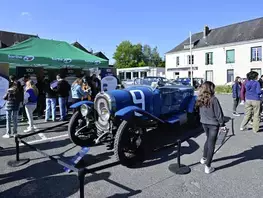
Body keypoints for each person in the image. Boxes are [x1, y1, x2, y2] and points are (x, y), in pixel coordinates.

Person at [196, 81, 225, 174]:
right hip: (213, 124)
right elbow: (219, 114)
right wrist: (222, 124)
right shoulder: (214, 99)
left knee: (208, 139)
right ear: (210, 88)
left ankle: (204, 158)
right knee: (211, 143)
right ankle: (208, 166)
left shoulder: (200, 98)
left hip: (204, 122)